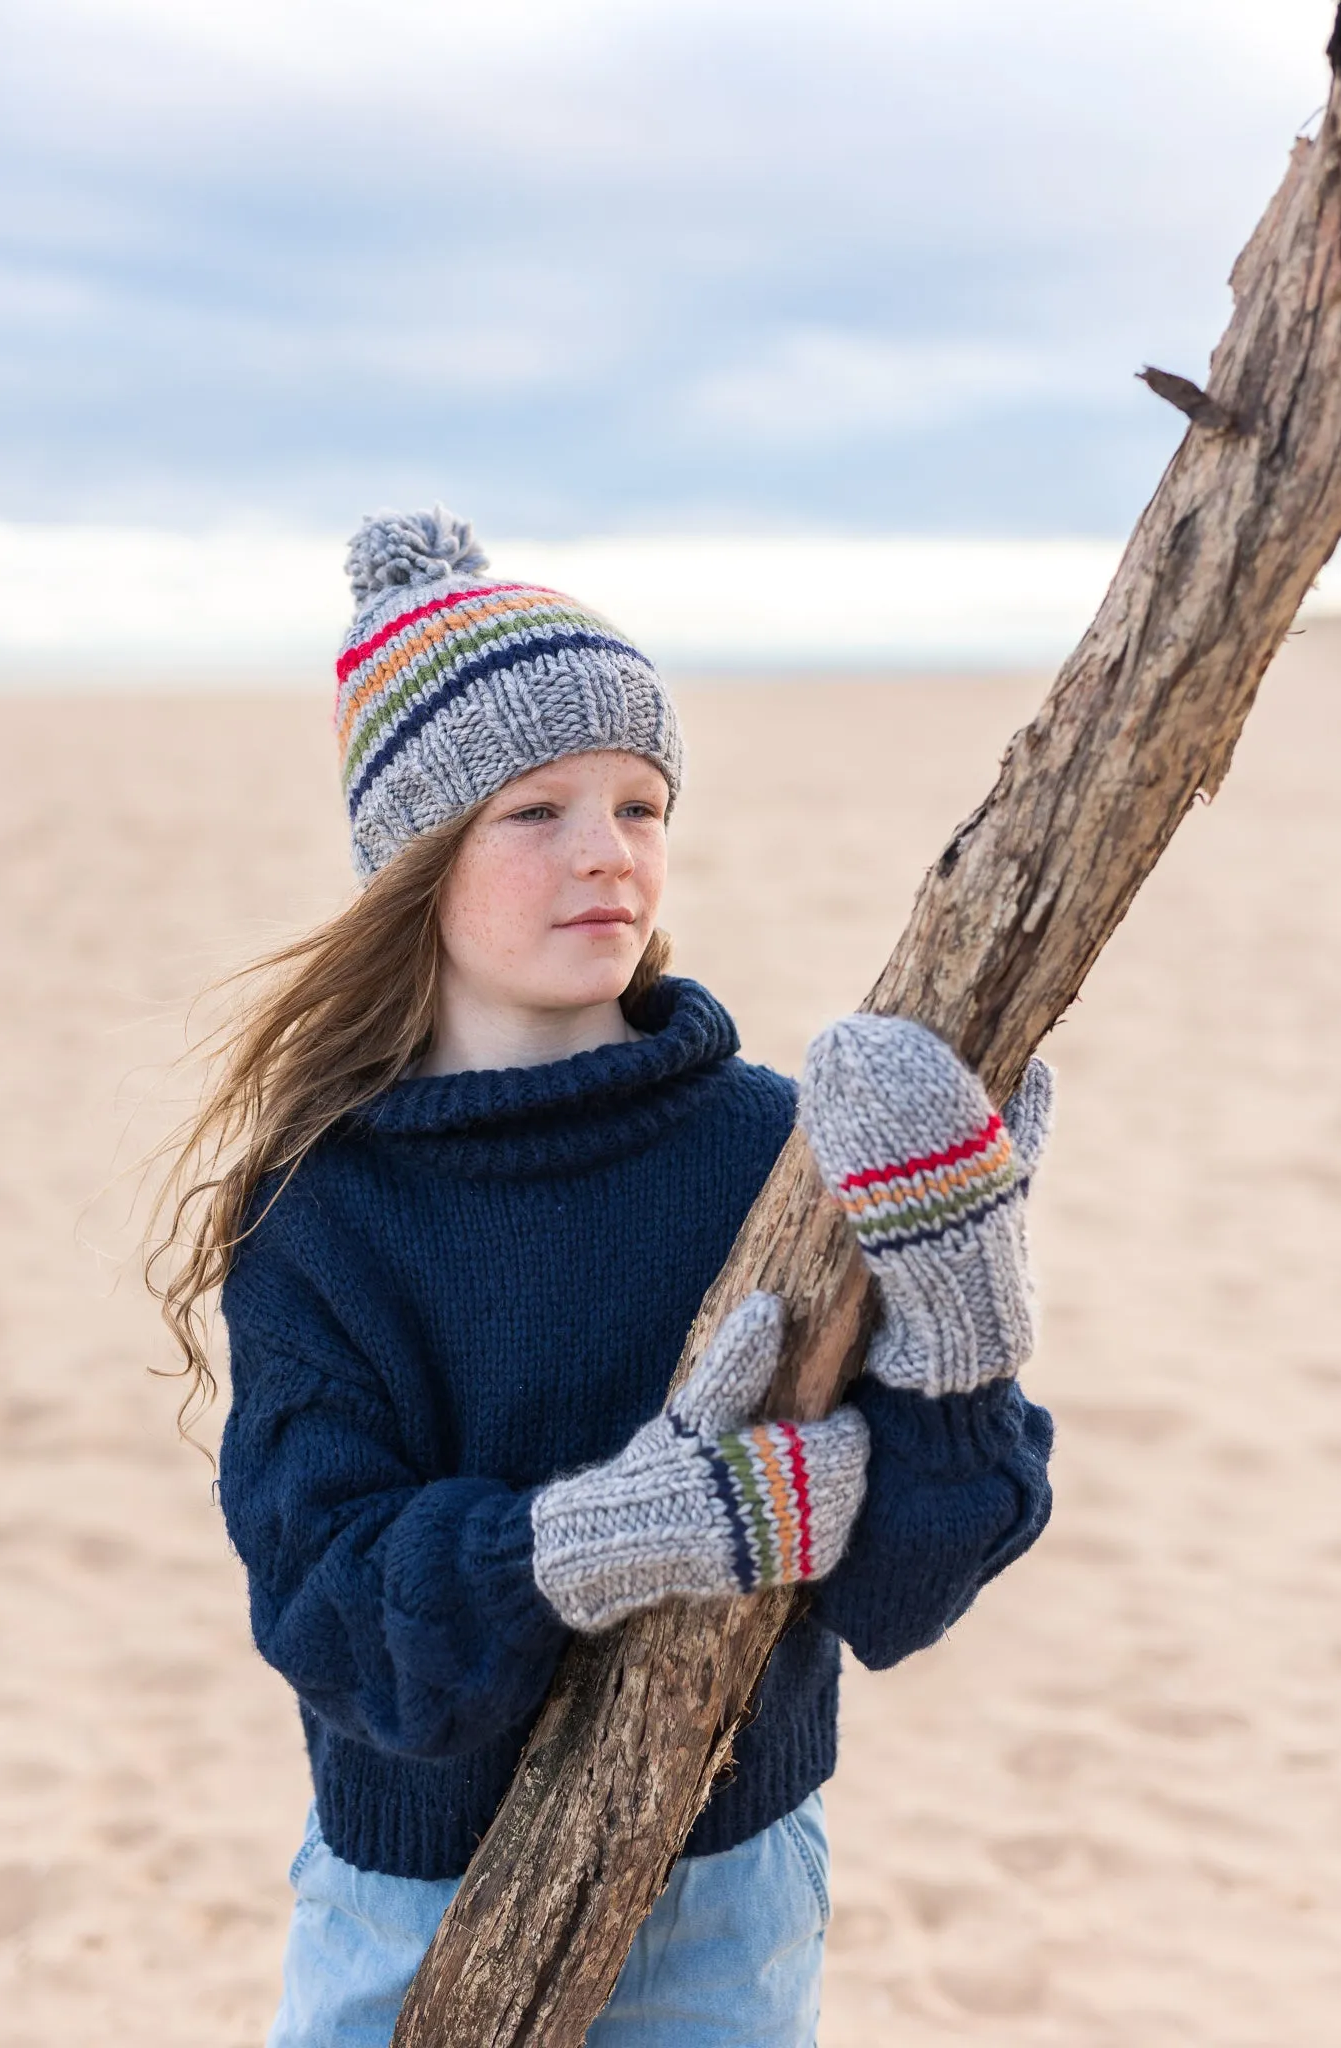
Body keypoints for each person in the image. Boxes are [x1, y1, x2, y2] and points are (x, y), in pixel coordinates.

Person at [150, 507, 1055, 2048]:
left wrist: (962, 1324)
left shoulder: (774, 1148)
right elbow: (328, 1607)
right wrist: (603, 1537)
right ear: (413, 859)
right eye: (535, 812)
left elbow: (907, 1587)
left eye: (641, 803)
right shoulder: (324, 1211)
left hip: (732, 1901)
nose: (606, 853)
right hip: (412, 1910)